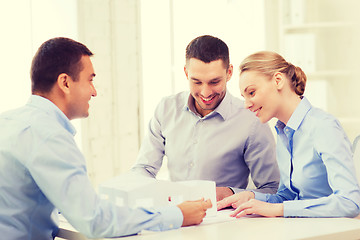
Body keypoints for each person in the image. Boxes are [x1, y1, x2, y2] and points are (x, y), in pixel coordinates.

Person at [0, 37, 212, 240]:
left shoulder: (8, 121)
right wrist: (177, 215)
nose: (94, 92)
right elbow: (94, 220)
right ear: (65, 82)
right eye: (90, 80)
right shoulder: (49, 136)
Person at [132, 35, 280, 201]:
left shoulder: (251, 120)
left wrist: (231, 193)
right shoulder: (166, 109)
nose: (205, 92)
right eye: (196, 82)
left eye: (214, 82)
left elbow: (272, 189)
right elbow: (143, 168)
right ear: (186, 73)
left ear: (229, 72)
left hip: (226, 220)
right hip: (175, 217)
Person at [217, 51, 360, 218]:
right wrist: (253, 197)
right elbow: (288, 197)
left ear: (278, 81)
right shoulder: (283, 132)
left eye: (252, 93)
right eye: (244, 96)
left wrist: (279, 210)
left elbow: (349, 202)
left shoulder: (323, 126)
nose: (247, 105)